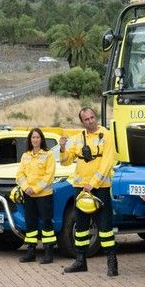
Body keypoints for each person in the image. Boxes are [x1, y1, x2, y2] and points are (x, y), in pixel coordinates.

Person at [58, 107, 118, 276]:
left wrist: (93, 184)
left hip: (100, 188)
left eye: (92, 117)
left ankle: (112, 263)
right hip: (80, 188)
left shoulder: (106, 135)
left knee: (105, 226)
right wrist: (62, 148)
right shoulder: (77, 139)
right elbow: (65, 161)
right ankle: (80, 261)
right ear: (82, 122)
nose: (91, 121)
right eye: (87, 119)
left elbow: (107, 163)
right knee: (81, 226)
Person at [15, 128, 57, 264]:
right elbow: (20, 175)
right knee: (30, 224)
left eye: (37, 137)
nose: (35, 140)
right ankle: (31, 252)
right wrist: (26, 187)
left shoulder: (48, 155)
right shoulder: (25, 155)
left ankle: (48, 253)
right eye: (33, 137)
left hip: (44, 195)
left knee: (46, 223)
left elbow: (49, 176)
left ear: (41, 139)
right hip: (28, 194)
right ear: (30, 140)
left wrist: (36, 189)